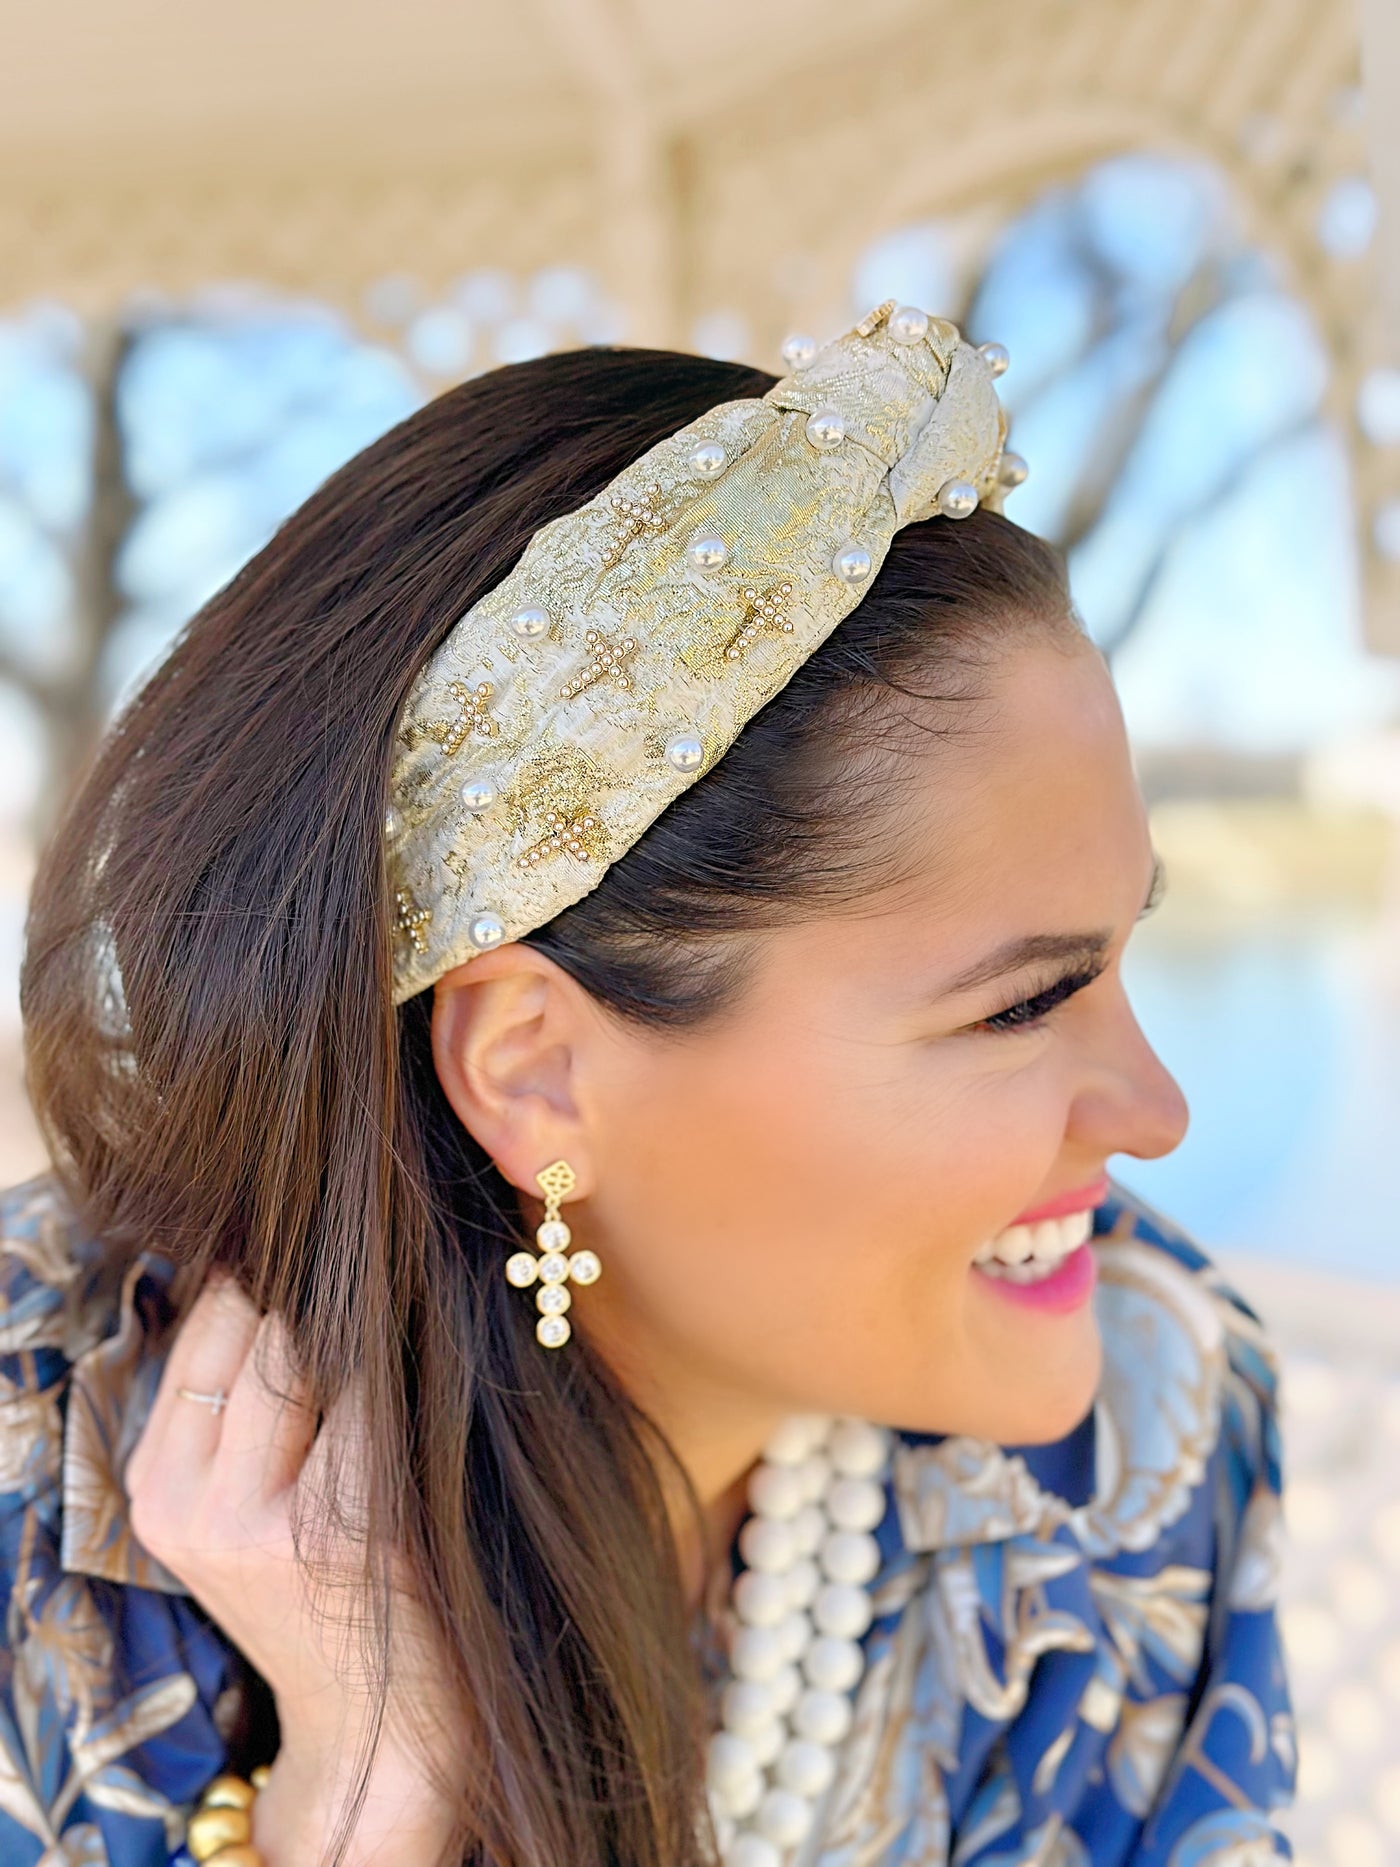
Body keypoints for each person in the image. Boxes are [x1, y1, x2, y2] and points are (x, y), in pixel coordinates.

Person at [1, 304, 1295, 1867]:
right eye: (1027, 1003)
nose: (1159, 1112)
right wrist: (354, 1804)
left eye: (1120, 954)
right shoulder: (45, 1522)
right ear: (534, 1071)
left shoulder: (1156, 1427)